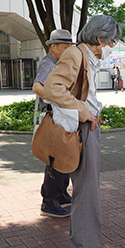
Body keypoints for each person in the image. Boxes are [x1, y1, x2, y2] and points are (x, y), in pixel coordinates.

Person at [43, 15, 121, 248]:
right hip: (81, 130)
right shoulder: (77, 55)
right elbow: (52, 87)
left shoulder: (84, 55)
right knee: (87, 196)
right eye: (112, 42)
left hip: (83, 129)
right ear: (100, 39)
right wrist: (83, 110)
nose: (112, 47)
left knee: (86, 195)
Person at [32, 29, 74, 218]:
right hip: (53, 117)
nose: (67, 51)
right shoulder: (49, 64)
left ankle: (61, 195)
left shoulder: (57, 63)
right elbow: (37, 86)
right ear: (53, 46)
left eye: (69, 47)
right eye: (65, 47)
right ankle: (49, 202)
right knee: (55, 160)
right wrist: (57, 100)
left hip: (59, 116)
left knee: (62, 158)